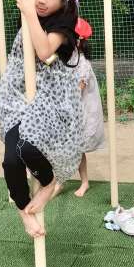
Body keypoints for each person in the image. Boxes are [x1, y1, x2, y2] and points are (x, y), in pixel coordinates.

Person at [0, 0, 83, 238]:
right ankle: (23, 210)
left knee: (30, 149)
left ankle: (49, 182)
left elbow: (45, 51)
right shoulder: (31, 4)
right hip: (16, 93)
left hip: (48, 97)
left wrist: (30, 12)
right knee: (11, 160)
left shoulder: (65, 24)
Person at [51, 17, 105, 199]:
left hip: (78, 111)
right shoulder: (65, 57)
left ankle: (77, 182)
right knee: (63, 147)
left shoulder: (82, 63)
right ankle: (62, 181)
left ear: (78, 40)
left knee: (75, 148)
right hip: (66, 108)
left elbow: (78, 90)